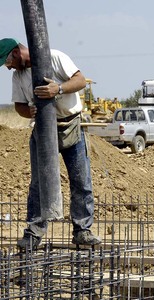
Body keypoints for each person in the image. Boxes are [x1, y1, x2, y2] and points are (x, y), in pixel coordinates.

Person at [0, 38, 101, 248]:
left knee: (81, 180)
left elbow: (80, 80)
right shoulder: (19, 76)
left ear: (16, 54)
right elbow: (19, 106)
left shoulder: (54, 57)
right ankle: (34, 232)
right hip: (43, 130)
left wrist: (59, 89)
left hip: (71, 126)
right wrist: (30, 111)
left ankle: (82, 230)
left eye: (7, 62)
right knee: (38, 184)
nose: (7, 67)